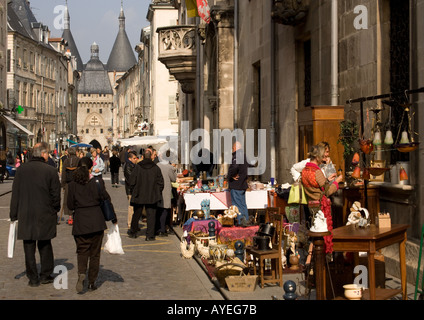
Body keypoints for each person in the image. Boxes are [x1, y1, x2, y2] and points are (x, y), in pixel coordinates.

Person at [9, 142, 61, 287]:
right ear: (43, 154)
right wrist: (54, 209)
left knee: (29, 247)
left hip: (26, 213)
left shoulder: (21, 170)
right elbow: (56, 195)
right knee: (45, 245)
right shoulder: (50, 171)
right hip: (45, 213)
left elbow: (16, 194)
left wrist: (14, 214)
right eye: (47, 153)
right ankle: (45, 274)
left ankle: (32, 277)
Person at [67, 157, 117, 293]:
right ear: (90, 168)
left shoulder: (72, 185)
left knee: (82, 251)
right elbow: (106, 199)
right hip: (96, 221)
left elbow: (70, 206)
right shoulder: (97, 182)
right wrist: (113, 218)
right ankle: (91, 282)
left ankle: (81, 273)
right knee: (95, 254)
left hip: (81, 223)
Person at [301, 144, 343, 255]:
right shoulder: (316, 171)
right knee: (323, 236)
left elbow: (316, 185)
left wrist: (326, 180)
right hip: (320, 206)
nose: (324, 159)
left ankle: (311, 260)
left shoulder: (305, 170)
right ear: (318, 157)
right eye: (322, 157)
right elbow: (327, 191)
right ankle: (322, 260)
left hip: (311, 205)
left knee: (314, 235)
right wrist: (336, 182)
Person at [129, 149, 164, 240]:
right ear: (151, 157)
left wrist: (133, 191)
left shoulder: (137, 167)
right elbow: (161, 182)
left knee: (136, 214)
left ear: (143, 157)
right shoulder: (156, 168)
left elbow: (132, 181)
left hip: (139, 194)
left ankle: (133, 231)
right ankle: (150, 235)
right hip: (152, 195)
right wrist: (157, 192)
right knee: (151, 215)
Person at [227, 141, 250, 226]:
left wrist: (231, 175)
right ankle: (245, 221)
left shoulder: (237, 155)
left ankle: (240, 223)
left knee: (237, 206)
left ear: (235, 148)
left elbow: (235, 166)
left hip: (237, 185)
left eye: (233, 148)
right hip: (242, 184)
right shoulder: (244, 155)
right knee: (243, 205)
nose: (232, 150)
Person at [156, 152, 177, 237]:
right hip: (165, 190)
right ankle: (162, 229)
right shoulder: (169, 167)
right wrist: (174, 169)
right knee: (165, 209)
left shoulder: (157, 165)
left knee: (159, 209)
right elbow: (173, 179)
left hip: (157, 190)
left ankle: (158, 228)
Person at [61, 147, 80, 225]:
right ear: (75, 152)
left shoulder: (66, 161)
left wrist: (63, 184)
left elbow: (63, 174)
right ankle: (77, 215)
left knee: (68, 199)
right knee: (77, 199)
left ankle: (70, 217)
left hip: (68, 183)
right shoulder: (78, 160)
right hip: (77, 183)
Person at [124, 150, 138, 230]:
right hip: (131, 190)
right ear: (130, 159)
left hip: (134, 190)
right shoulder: (128, 167)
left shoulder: (134, 166)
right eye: (134, 158)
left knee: (134, 208)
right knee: (131, 207)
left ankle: (134, 224)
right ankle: (130, 224)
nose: (136, 159)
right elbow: (131, 180)